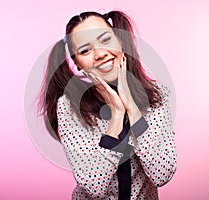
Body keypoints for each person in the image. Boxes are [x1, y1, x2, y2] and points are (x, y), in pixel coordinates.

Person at [38, 10, 177, 200]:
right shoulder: (69, 107)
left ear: (120, 41)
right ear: (77, 62)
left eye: (105, 40)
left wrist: (133, 110)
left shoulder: (157, 95)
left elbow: (162, 173)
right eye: (85, 50)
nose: (100, 54)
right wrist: (117, 115)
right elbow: (94, 187)